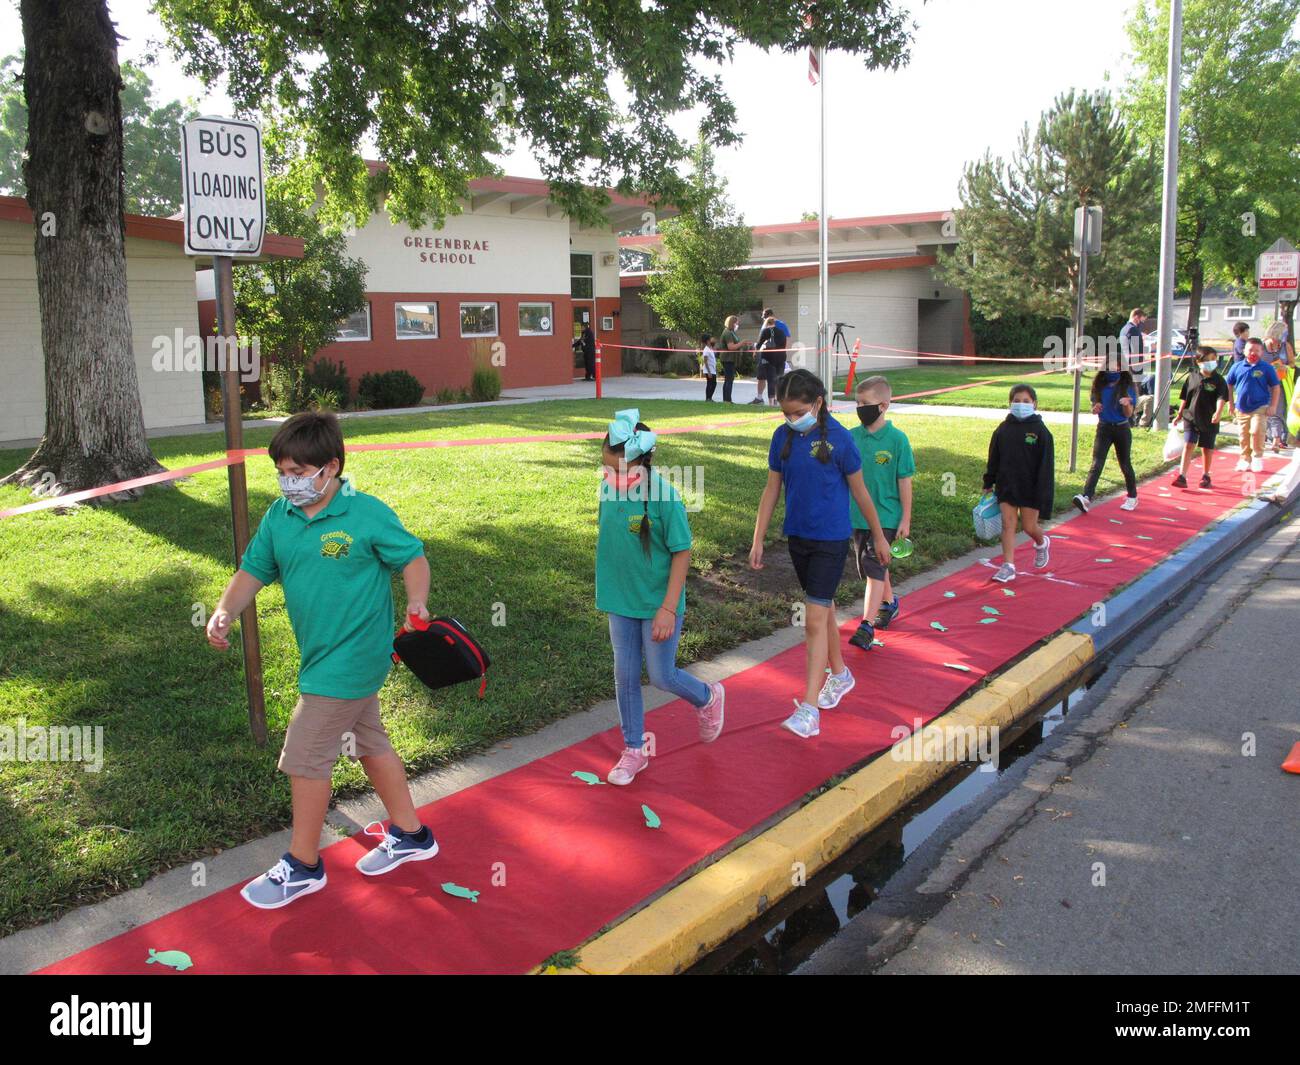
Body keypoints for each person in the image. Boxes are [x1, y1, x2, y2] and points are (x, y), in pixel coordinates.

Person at [206, 412, 438, 909]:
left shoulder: (366, 513)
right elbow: (253, 569)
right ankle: (412, 834)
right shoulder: (279, 517)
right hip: (321, 655)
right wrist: (225, 610)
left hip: (354, 657)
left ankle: (303, 865)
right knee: (370, 741)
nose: (289, 482)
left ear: (329, 467)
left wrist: (417, 600)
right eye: (282, 473)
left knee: (306, 753)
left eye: (298, 472)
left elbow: (413, 557)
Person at [749, 369, 890, 739]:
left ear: (818, 403)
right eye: (786, 414)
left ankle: (809, 708)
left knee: (812, 620)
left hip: (830, 540)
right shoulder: (782, 439)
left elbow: (860, 494)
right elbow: (770, 490)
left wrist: (879, 537)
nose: (793, 420)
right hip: (798, 539)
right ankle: (841, 675)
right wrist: (758, 537)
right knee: (822, 609)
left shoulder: (841, 441)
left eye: (799, 412)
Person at [597, 410, 723, 785]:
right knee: (624, 674)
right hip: (619, 599)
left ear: (643, 463)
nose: (612, 478)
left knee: (662, 676)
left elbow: (682, 552)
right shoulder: (609, 487)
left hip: (658, 604)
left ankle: (708, 696)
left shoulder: (665, 497)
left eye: (620, 471)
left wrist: (668, 608)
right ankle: (634, 749)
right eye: (607, 469)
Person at [845, 376, 914, 652]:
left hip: (886, 515)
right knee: (872, 566)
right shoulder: (851, 437)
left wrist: (905, 518)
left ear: (884, 405)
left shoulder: (897, 440)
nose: (860, 408)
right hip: (856, 516)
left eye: (866, 403)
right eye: (857, 403)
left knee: (874, 566)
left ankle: (866, 625)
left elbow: (905, 481)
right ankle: (890, 602)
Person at [983, 384, 1055, 583]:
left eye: (1026, 401)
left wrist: (1044, 493)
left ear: (1034, 404)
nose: (1020, 404)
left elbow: (1046, 466)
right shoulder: (1003, 429)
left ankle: (1041, 542)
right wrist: (989, 480)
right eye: (1016, 400)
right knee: (1008, 524)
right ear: (1010, 403)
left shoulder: (1041, 432)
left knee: (1029, 527)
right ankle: (1008, 566)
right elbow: (994, 457)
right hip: (1007, 485)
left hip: (1031, 488)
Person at [1072, 366, 1139, 513]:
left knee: (1125, 464)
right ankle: (1086, 496)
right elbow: (1094, 408)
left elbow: (1128, 414)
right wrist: (1095, 408)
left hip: (1122, 428)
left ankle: (1132, 497)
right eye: (1109, 366)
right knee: (1097, 463)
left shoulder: (1126, 386)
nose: (1112, 370)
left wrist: (1127, 404)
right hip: (1104, 428)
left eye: (1116, 367)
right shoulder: (1099, 386)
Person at [1172, 346, 1227, 489]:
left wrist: (1219, 412)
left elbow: (1221, 398)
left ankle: (1206, 475)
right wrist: (1179, 414)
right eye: (1207, 360)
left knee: (1206, 448)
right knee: (1189, 444)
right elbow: (1185, 397)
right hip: (1190, 417)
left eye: (1213, 359)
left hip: (1209, 419)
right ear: (1198, 362)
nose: (1211, 362)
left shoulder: (1219, 380)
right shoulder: (1192, 377)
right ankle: (1182, 476)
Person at [1225, 337, 1281, 472]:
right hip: (1241, 407)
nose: (1253, 353)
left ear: (1262, 352)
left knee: (1256, 431)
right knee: (1243, 435)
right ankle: (1245, 459)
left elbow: (1275, 387)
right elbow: (1229, 385)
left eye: (1257, 350)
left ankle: (1257, 457)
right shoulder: (1237, 366)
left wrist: (1273, 406)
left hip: (1260, 407)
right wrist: (1231, 404)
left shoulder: (1267, 368)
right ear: (1244, 351)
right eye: (1250, 350)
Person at [1262, 337, 1292, 451]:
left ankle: (1277, 440)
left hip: (1280, 384)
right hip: (1263, 384)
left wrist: (1286, 367)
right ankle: (1263, 436)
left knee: (1277, 412)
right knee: (1263, 411)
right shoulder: (1261, 346)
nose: (1278, 342)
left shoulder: (1285, 346)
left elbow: (1292, 363)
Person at [756, 315, 786, 405]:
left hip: (769, 359)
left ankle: (771, 403)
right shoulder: (781, 332)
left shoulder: (766, 331)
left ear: (767, 323)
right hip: (781, 358)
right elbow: (783, 345)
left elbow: (758, 345)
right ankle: (778, 400)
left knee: (771, 380)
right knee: (778, 380)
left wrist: (758, 349)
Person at [719, 315, 742, 403]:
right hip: (727, 359)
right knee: (728, 379)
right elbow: (731, 347)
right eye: (736, 323)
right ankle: (727, 400)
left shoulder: (732, 332)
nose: (737, 325)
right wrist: (742, 343)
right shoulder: (727, 333)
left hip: (731, 359)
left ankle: (727, 399)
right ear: (732, 323)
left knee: (729, 379)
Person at [700, 333, 718, 402]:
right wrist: (709, 372)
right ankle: (708, 398)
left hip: (712, 370)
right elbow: (705, 361)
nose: (712, 340)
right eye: (710, 339)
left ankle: (709, 398)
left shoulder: (710, 348)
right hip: (709, 370)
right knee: (710, 384)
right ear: (707, 341)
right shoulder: (706, 350)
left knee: (713, 384)